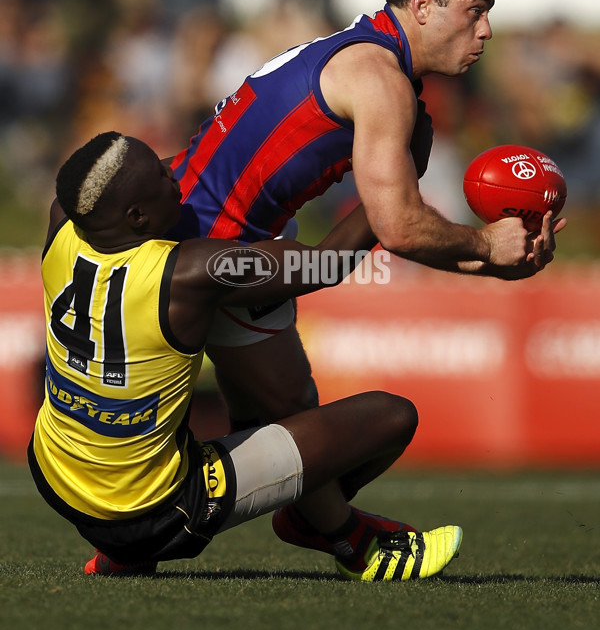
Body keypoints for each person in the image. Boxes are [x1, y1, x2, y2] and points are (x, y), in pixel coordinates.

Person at [167, 0, 565, 441]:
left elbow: (381, 228)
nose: (487, 29)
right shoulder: (380, 80)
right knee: (314, 429)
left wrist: (490, 260)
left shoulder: (365, 53)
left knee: (289, 413)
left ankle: (322, 524)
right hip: (192, 250)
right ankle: (209, 512)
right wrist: (486, 243)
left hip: (222, 241)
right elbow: (398, 229)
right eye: (476, 9)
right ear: (422, 4)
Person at [29, 131, 472, 582]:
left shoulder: (64, 218)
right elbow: (326, 263)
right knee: (394, 416)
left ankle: (125, 554)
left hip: (55, 473)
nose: (177, 176)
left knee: (205, 397)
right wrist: (399, 179)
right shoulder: (191, 271)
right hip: (154, 512)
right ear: (137, 215)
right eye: (163, 176)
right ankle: (343, 536)